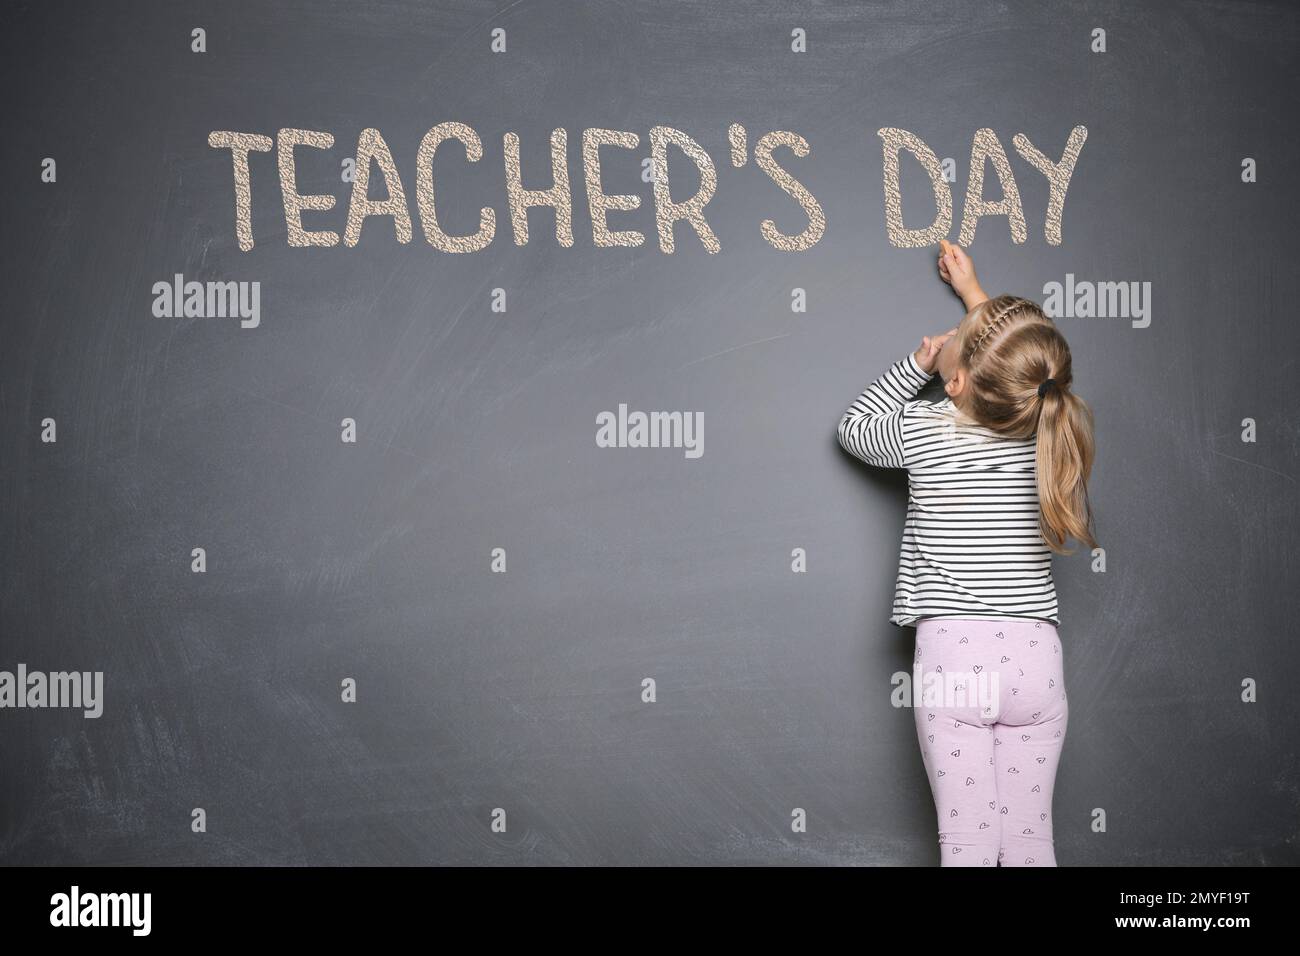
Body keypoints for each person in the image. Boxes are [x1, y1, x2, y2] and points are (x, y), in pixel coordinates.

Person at [836, 241, 1098, 866]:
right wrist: (977, 297)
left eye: (960, 336)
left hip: (957, 658)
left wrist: (915, 365)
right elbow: (1026, 364)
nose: (953, 333)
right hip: (1036, 661)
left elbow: (853, 429)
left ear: (954, 381)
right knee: (1031, 840)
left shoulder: (925, 427)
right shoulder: (1043, 428)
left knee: (971, 845)